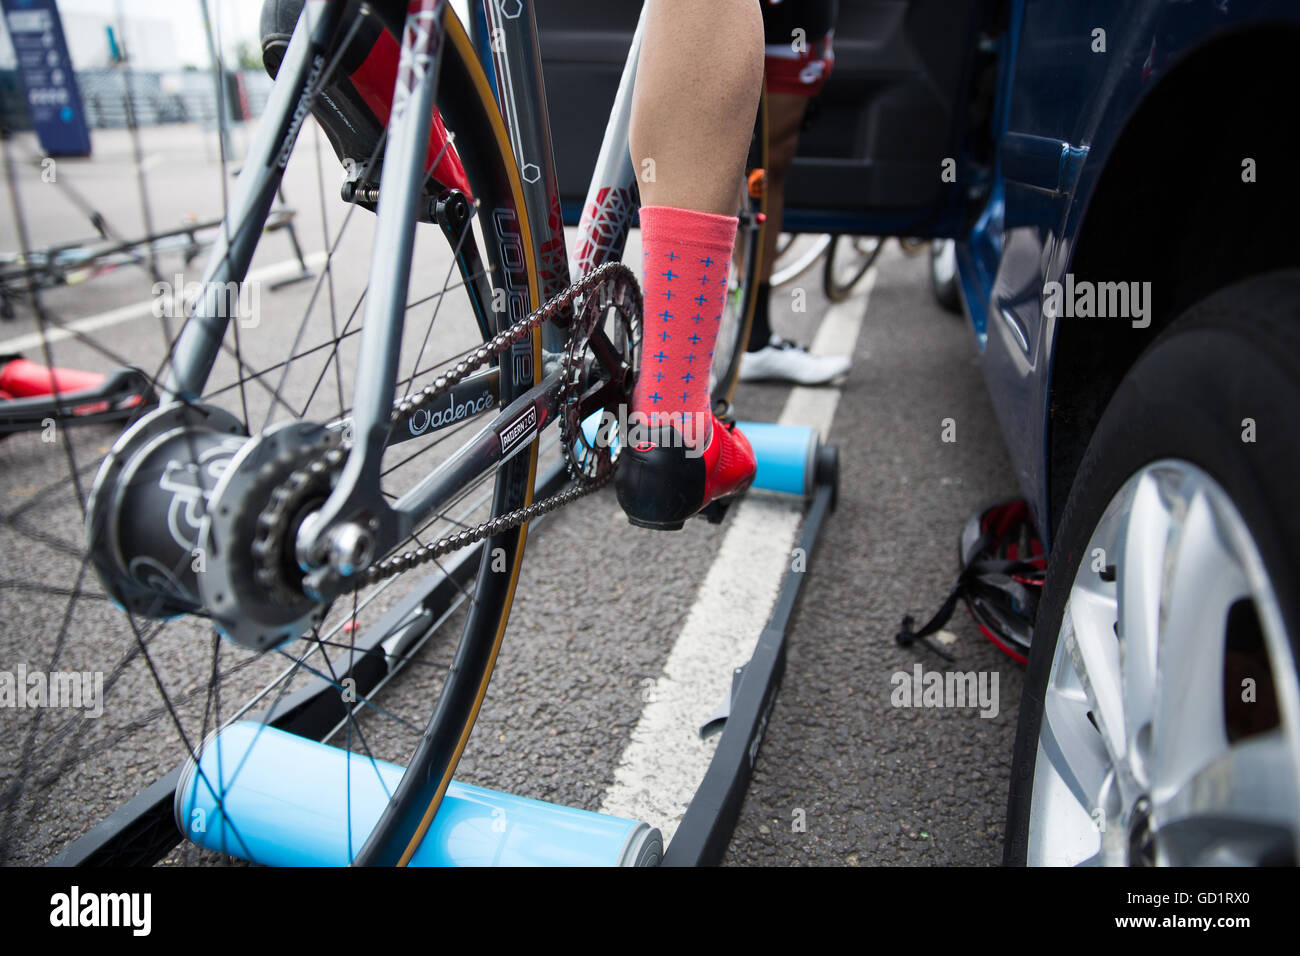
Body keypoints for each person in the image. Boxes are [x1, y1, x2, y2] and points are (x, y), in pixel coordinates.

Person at [738, 0, 852, 386]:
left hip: (794, 26)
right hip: (716, 17)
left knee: (766, 169)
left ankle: (752, 340)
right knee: (717, 166)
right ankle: (684, 355)